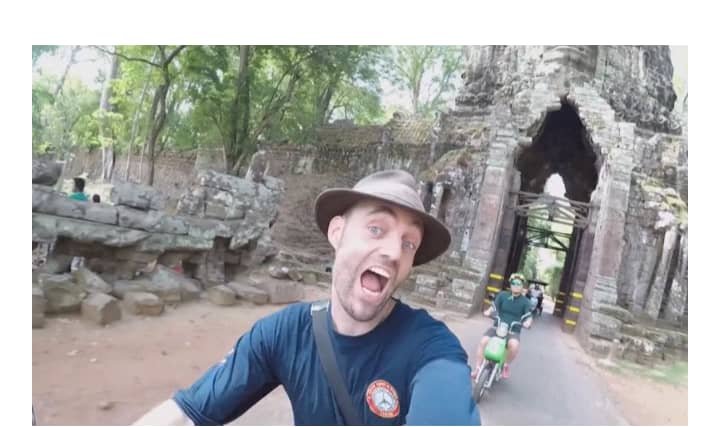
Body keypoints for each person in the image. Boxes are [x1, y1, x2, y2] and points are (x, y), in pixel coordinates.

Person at [134, 170, 480, 426]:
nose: (393, 252)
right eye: (376, 229)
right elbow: (189, 412)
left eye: (409, 243)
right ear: (337, 232)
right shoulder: (284, 333)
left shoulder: (431, 348)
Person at [473, 273, 532, 380]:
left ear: (522, 286)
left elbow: (529, 316)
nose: (516, 286)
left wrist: (527, 323)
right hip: (498, 327)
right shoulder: (502, 295)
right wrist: (488, 312)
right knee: (483, 342)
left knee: (514, 346)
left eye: (519, 284)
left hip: (513, 331)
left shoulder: (525, 302)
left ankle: (505, 365)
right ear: (510, 284)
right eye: (514, 283)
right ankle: (477, 369)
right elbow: (493, 307)